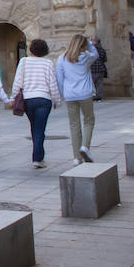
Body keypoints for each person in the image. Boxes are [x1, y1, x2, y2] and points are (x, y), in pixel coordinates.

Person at [10, 38, 61, 168]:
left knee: (34, 127)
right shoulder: (48, 63)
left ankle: (38, 156)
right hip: (44, 99)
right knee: (40, 128)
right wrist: (57, 100)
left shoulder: (24, 62)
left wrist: (12, 98)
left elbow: (18, 82)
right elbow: (52, 83)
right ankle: (38, 157)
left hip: (28, 99)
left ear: (31, 49)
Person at [56, 33, 98, 164]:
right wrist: (89, 43)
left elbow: (59, 78)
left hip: (70, 94)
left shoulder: (61, 58)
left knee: (74, 125)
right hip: (85, 93)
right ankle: (85, 146)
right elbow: (95, 53)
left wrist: (63, 93)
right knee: (89, 120)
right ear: (83, 45)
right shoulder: (87, 57)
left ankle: (76, 157)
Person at [89, 36, 108, 101]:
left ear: (95, 42)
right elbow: (105, 59)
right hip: (101, 68)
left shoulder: (91, 50)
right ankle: (98, 96)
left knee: (92, 83)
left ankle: (92, 96)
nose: (91, 41)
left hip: (93, 68)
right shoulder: (102, 50)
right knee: (99, 83)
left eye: (92, 40)